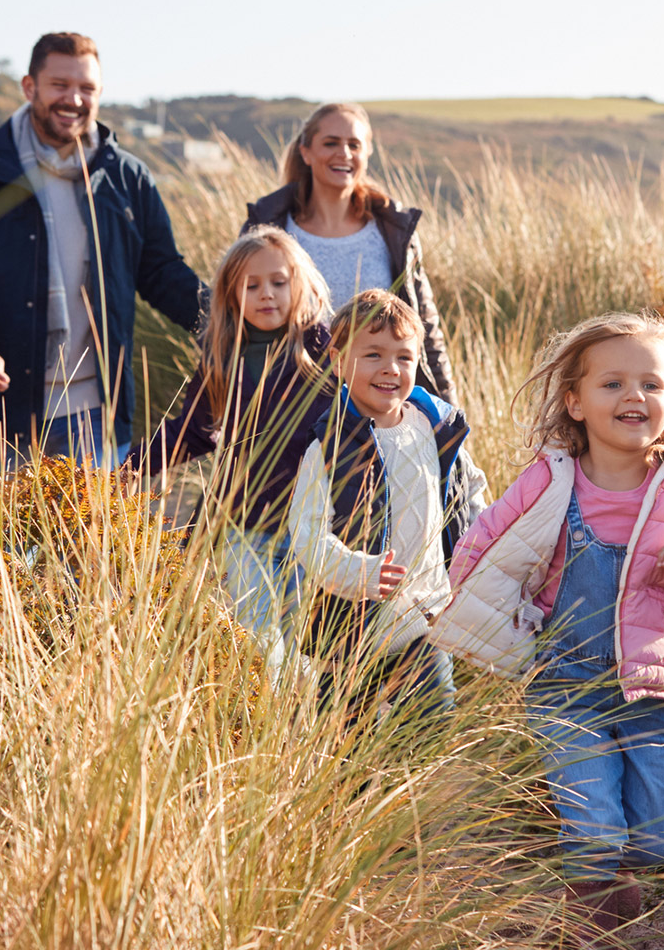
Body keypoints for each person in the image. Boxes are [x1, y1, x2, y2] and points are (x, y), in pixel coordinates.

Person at [431, 312, 664, 944]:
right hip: (564, 682)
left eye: (650, 384)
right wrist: (498, 622)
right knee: (593, 825)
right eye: (612, 384)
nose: (633, 396)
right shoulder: (549, 481)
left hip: (655, 692)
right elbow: (481, 548)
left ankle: (623, 883)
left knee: (658, 835)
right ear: (575, 403)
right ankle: (588, 926)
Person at [0, 32, 204, 469]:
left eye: (86, 88)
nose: (73, 99)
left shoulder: (125, 176)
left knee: (95, 540)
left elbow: (162, 273)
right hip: (3, 415)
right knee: (4, 541)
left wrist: (228, 324)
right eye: (59, 85)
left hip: (99, 414)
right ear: (29, 87)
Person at [128, 228, 335, 669]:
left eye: (279, 282)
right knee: (262, 647)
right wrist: (128, 468)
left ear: (299, 282)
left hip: (315, 528)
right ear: (231, 293)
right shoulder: (223, 355)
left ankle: (304, 732)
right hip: (247, 528)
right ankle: (267, 724)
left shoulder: (325, 347)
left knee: (308, 646)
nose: (267, 295)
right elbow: (192, 432)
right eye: (251, 285)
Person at [288, 289, 487, 726]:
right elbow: (306, 532)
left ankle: (411, 789)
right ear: (340, 362)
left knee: (434, 724)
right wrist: (359, 571)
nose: (390, 369)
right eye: (374, 354)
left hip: (424, 619)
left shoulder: (435, 428)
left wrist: (479, 548)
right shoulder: (330, 447)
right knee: (344, 741)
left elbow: (470, 488)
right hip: (351, 629)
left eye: (403, 357)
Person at [242, 103, 455, 400]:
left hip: (377, 405)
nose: (343, 153)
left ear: (366, 153)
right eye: (331, 143)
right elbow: (235, 320)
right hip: (288, 406)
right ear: (306, 152)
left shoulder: (393, 229)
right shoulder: (268, 228)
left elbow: (425, 329)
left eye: (354, 144)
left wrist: (448, 418)